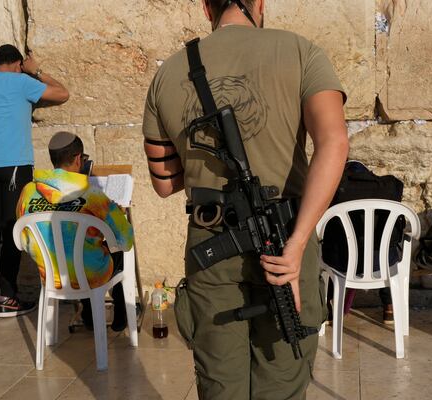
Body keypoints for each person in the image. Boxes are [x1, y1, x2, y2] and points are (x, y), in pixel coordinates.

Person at [142, 1, 348, 398]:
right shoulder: (302, 52)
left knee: (221, 384)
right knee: (284, 373)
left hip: (210, 237)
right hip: (286, 235)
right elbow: (334, 143)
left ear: (206, 8)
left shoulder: (168, 73)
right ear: (259, 4)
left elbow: (165, 184)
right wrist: (298, 243)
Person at [0, 44, 70, 318]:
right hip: (15, 166)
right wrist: (37, 72)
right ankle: (8, 297)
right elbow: (63, 94)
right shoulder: (22, 81)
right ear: (15, 64)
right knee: (13, 229)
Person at [16, 131, 134, 331]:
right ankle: (121, 312)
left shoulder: (28, 192)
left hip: (51, 275)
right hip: (91, 276)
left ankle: (88, 311)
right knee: (117, 253)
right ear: (79, 158)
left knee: (75, 251)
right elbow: (125, 240)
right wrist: (116, 214)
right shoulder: (94, 196)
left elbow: (23, 239)